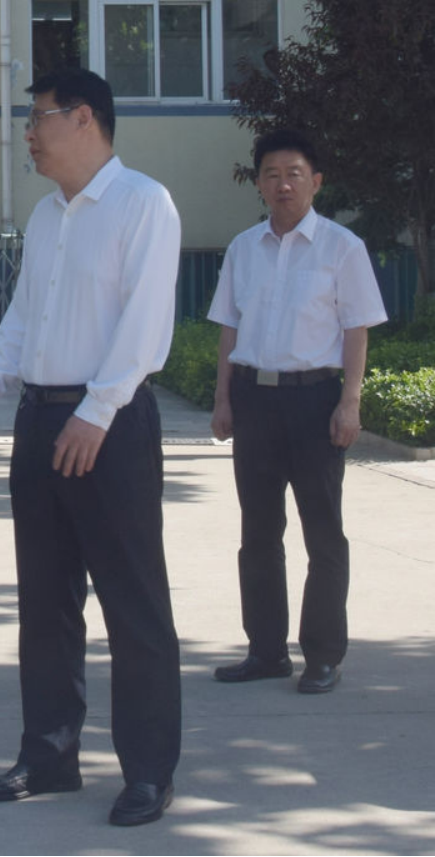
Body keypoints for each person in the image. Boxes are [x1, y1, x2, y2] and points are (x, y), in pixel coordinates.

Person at [0, 68, 182, 827]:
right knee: (46, 601)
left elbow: (145, 322)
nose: (28, 133)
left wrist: (99, 408)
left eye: (39, 118)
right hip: (42, 421)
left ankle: (148, 771)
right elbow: (24, 314)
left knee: (133, 603)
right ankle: (49, 754)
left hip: (108, 426)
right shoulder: (48, 213)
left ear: (84, 118)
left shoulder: (143, 202)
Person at [208, 128, 387, 694]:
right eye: (272, 174)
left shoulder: (342, 247)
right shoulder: (243, 248)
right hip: (254, 402)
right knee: (258, 533)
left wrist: (349, 403)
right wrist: (223, 398)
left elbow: (355, 330)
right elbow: (229, 328)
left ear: (316, 181)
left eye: (294, 174)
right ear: (259, 183)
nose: (283, 184)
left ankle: (323, 656)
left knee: (322, 533)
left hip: (315, 402)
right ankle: (266, 652)